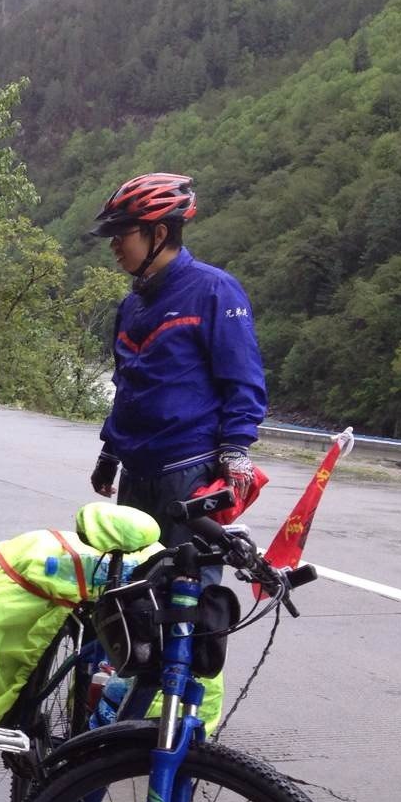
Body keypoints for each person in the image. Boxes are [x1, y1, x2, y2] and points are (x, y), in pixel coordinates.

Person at [87, 173, 267, 548]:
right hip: (137, 473)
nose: (115, 245)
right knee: (130, 592)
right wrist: (111, 451)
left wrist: (236, 451)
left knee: (187, 594)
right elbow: (128, 385)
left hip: (189, 470)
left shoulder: (215, 290)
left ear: (160, 234)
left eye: (124, 234)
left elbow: (243, 379)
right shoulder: (132, 305)